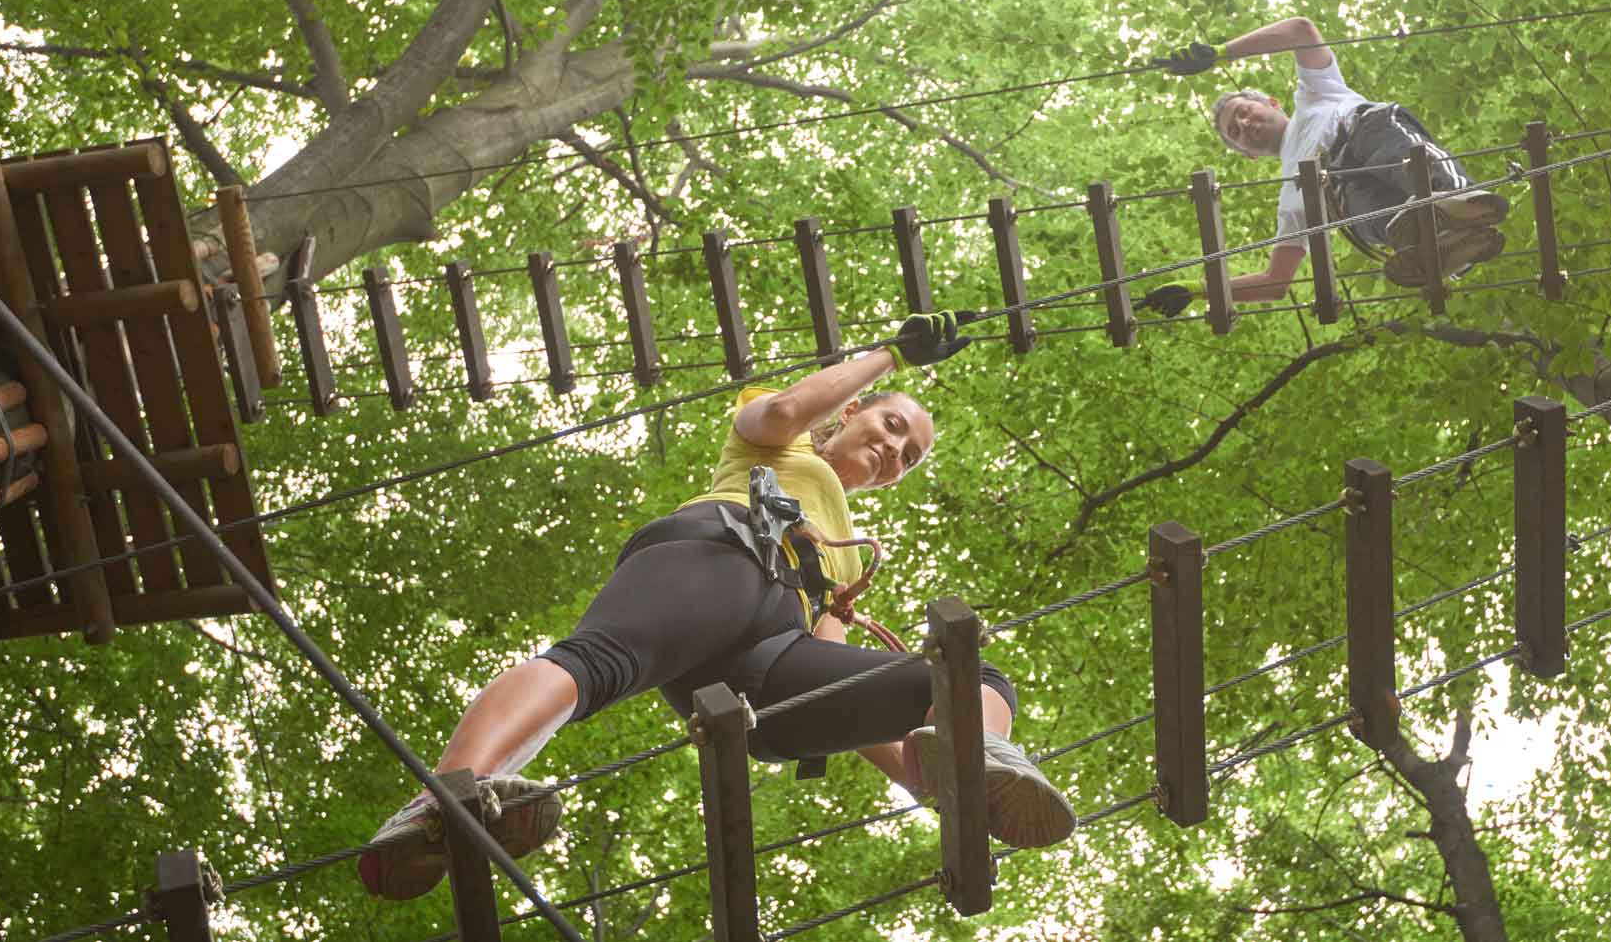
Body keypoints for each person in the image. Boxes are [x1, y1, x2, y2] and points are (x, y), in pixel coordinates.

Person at [358, 312, 1076, 900]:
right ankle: (445, 795)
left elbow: (837, 676)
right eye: (891, 427)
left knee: (965, 682)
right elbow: (791, 407)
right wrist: (889, 355)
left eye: (910, 455)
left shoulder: (849, 558)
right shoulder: (776, 442)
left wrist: (933, 789)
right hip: (721, 557)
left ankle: (980, 757)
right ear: (852, 413)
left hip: (766, 661)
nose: (895, 451)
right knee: (595, 664)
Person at [1135, 17, 1510, 318]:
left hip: (1363, 132)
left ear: (1272, 102)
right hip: (1340, 192)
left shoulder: (1316, 92)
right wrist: (1201, 290)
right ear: (1246, 153)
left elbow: (1300, 30)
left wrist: (1220, 53)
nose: (1245, 125)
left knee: (1404, 160)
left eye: (1244, 112)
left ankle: (1456, 200)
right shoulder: (1290, 201)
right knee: (1362, 216)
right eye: (1236, 132)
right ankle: (1438, 248)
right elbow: (1275, 281)